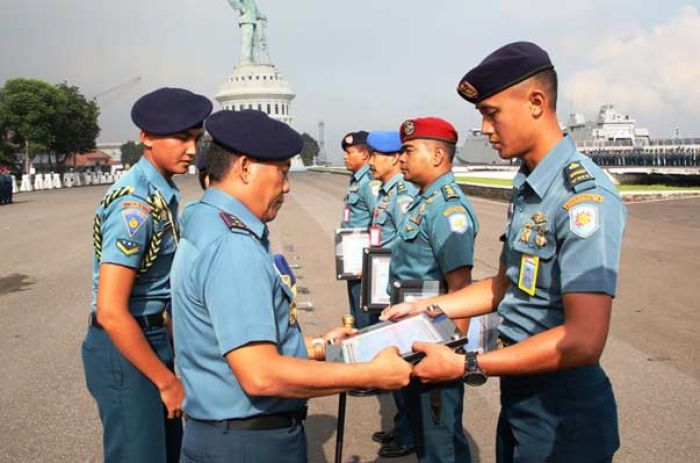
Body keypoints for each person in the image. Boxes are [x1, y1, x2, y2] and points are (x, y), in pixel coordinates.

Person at [382, 41, 627, 463]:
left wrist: (467, 366)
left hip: (564, 416)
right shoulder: (529, 185)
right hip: (521, 395)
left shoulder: (583, 198)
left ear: (536, 102)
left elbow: (585, 340)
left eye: (491, 112)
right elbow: (503, 286)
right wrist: (428, 308)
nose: (484, 128)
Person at [170, 109, 412, 463]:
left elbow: (221, 338)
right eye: (282, 172)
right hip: (250, 444)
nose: (286, 186)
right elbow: (261, 375)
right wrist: (369, 373)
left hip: (219, 433)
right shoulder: (234, 247)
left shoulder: (203, 222)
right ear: (246, 167)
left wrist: (315, 347)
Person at [81, 87, 212, 463]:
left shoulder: (160, 193)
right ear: (147, 138)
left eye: (196, 139)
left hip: (149, 335)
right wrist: (166, 380)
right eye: (182, 137)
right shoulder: (133, 207)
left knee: (166, 452)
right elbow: (110, 310)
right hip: (125, 344)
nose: (191, 149)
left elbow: (157, 289)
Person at [381, 117, 479, 461]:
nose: (401, 158)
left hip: (436, 341)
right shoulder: (423, 202)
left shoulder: (447, 209)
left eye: (408, 150)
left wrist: (453, 356)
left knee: (441, 444)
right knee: (426, 436)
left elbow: (461, 289)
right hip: (413, 334)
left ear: (437, 155)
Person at [364, 130, 419, 451]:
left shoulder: (402, 195)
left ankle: (408, 434)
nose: (371, 161)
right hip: (383, 283)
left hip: (395, 288)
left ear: (395, 158)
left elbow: (404, 245)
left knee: (401, 361)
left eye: (376, 156)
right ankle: (402, 427)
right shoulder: (386, 192)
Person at [340, 131, 380, 327]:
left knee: (366, 319)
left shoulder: (369, 182)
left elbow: (379, 220)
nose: (345, 157)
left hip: (363, 263)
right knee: (355, 311)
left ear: (364, 154)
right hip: (353, 259)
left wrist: (370, 260)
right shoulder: (356, 180)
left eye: (350, 152)